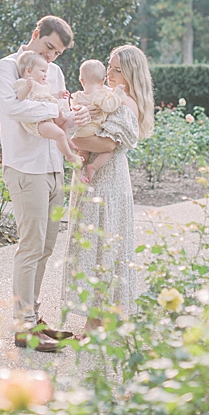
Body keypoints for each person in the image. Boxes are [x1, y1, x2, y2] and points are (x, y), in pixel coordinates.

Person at [0, 15, 77, 353]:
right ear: (35, 34)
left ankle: (34, 318)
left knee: (46, 247)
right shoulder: (6, 68)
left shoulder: (54, 72)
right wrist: (52, 109)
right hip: (26, 167)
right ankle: (22, 326)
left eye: (58, 53)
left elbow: (61, 117)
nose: (52, 58)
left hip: (54, 165)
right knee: (30, 246)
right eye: (49, 47)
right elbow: (12, 108)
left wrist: (73, 117)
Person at [61, 44, 155, 338]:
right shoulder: (112, 98)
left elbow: (107, 145)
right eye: (109, 67)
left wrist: (72, 140)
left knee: (102, 245)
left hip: (108, 181)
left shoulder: (125, 103)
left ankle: (96, 325)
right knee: (96, 243)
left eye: (117, 69)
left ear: (130, 73)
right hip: (97, 178)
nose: (110, 73)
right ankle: (99, 321)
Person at [13, 51, 80, 164]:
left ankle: (68, 140)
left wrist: (58, 95)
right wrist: (28, 88)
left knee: (63, 119)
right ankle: (69, 156)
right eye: (42, 71)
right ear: (28, 71)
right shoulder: (23, 83)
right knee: (59, 134)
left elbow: (46, 96)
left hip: (50, 115)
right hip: (37, 122)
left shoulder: (44, 85)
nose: (45, 75)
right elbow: (19, 97)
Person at [70, 58, 125, 183]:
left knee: (82, 154)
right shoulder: (101, 95)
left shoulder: (77, 96)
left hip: (80, 132)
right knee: (110, 150)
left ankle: (78, 171)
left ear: (81, 80)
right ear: (103, 81)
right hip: (94, 131)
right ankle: (93, 167)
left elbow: (73, 110)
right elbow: (110, 106)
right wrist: (117, 93)